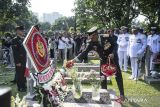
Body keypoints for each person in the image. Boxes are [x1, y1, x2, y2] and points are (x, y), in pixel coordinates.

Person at [66, 26, 125, 100]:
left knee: (118, 75)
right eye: (90, 37)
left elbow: (115, 45)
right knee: (102, 77)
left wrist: (113, 53)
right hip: (103, 60)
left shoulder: (105, 37)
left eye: (92, 37)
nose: (91, 39)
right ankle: (104, 93)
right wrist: (73, 60)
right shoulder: (91, 43)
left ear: (96, 35)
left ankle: (122, 94)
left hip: (113, 59)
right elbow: (83, 53)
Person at [12, 26, 27, 92]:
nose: (23, 31)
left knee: (24, 73)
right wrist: (17, 62)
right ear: (17, 31)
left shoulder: (24, 39)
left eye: (23, 30)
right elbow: (15, 52)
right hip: (19, 60)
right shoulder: (15, 39)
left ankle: (24, 85)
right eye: (21, 30)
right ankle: (20, 87)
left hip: (24, 60)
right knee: (19, 74)